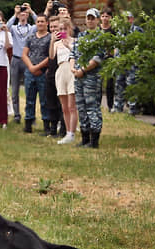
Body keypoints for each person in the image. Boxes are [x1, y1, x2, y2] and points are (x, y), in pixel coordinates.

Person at [72, 8, 104, 148]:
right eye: (88, 18)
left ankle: (94, 141)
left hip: (92, 78)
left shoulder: (101, 37)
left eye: (93, 18)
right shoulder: (81, 36)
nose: (90, 20)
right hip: (78, 77)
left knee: (92, 108)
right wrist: (73, 68)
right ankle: (84, 138)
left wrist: (83, 70)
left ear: (98, 20)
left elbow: (97, 59)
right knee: (81, 107)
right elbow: (73, 53)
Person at [7, 4, 37, 123]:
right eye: (21, 12)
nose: (23, 14)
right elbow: (7, 27)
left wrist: (31, 11)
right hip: (15, 59)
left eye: (25, 13)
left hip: (27, 59)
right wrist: (15, 14)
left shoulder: (32, 28)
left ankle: (30, 116)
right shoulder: (14, 28)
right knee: (14, 89)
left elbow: (41, 23)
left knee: (30, 89)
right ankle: (17, 115)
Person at [21, 14, 51, 133]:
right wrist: (31, 67)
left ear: (47, 23)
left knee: (44, 100)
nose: (40, 24)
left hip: (43, 72)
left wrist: (38, 67)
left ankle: (46, 125)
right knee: (29, 99)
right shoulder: (31, 37)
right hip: (30, 72)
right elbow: (24, 54)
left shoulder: (50, 38)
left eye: (42, 21)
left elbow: (50, 56)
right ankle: (28, 123)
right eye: (38, 22)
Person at [51, 17, 77, 143]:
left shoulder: (75, 41)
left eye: (64, 29)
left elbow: (78, 55)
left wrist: (68, 45)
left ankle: (72, 132)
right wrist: (52, 41)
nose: (62, 31)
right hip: (60, 71)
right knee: (64, 106)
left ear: (69, 29)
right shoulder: (57, 43)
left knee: (72, 106)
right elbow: (51, 56)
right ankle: (67, 132)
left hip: (71, 71)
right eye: (60, 29)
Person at [113, 11, 142, 114]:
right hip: (121, 63)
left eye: (128, 18)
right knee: (119, 85)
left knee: (131, 86)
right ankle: (118, 107)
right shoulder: (120, 31)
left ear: (132, 19)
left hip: (132, 64)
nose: (126, 21)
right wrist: (116, 59)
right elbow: (116, 46)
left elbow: (141, 47)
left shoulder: (137, 30)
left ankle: (132, 108)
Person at [43, 15, 65, 137]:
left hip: (62, 74)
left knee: (61, 104)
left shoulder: (64, 39)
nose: (53, 29)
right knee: (51, 103)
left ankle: (63, 130)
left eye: (55, 26)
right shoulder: (49, 39)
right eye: (51, 27)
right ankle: (52, 130)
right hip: (50, 75)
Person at [99, 8, 116, 112]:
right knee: (98, 82)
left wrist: (113, 53)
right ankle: (98, 104)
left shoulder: (113, 29)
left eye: (107, 16)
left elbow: (116, 44)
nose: (105, 18)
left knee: (110, 83)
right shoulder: (97, 28)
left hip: (109, 58)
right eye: (103, 16)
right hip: (99, 58)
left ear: (111, 18)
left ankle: (110, 106)